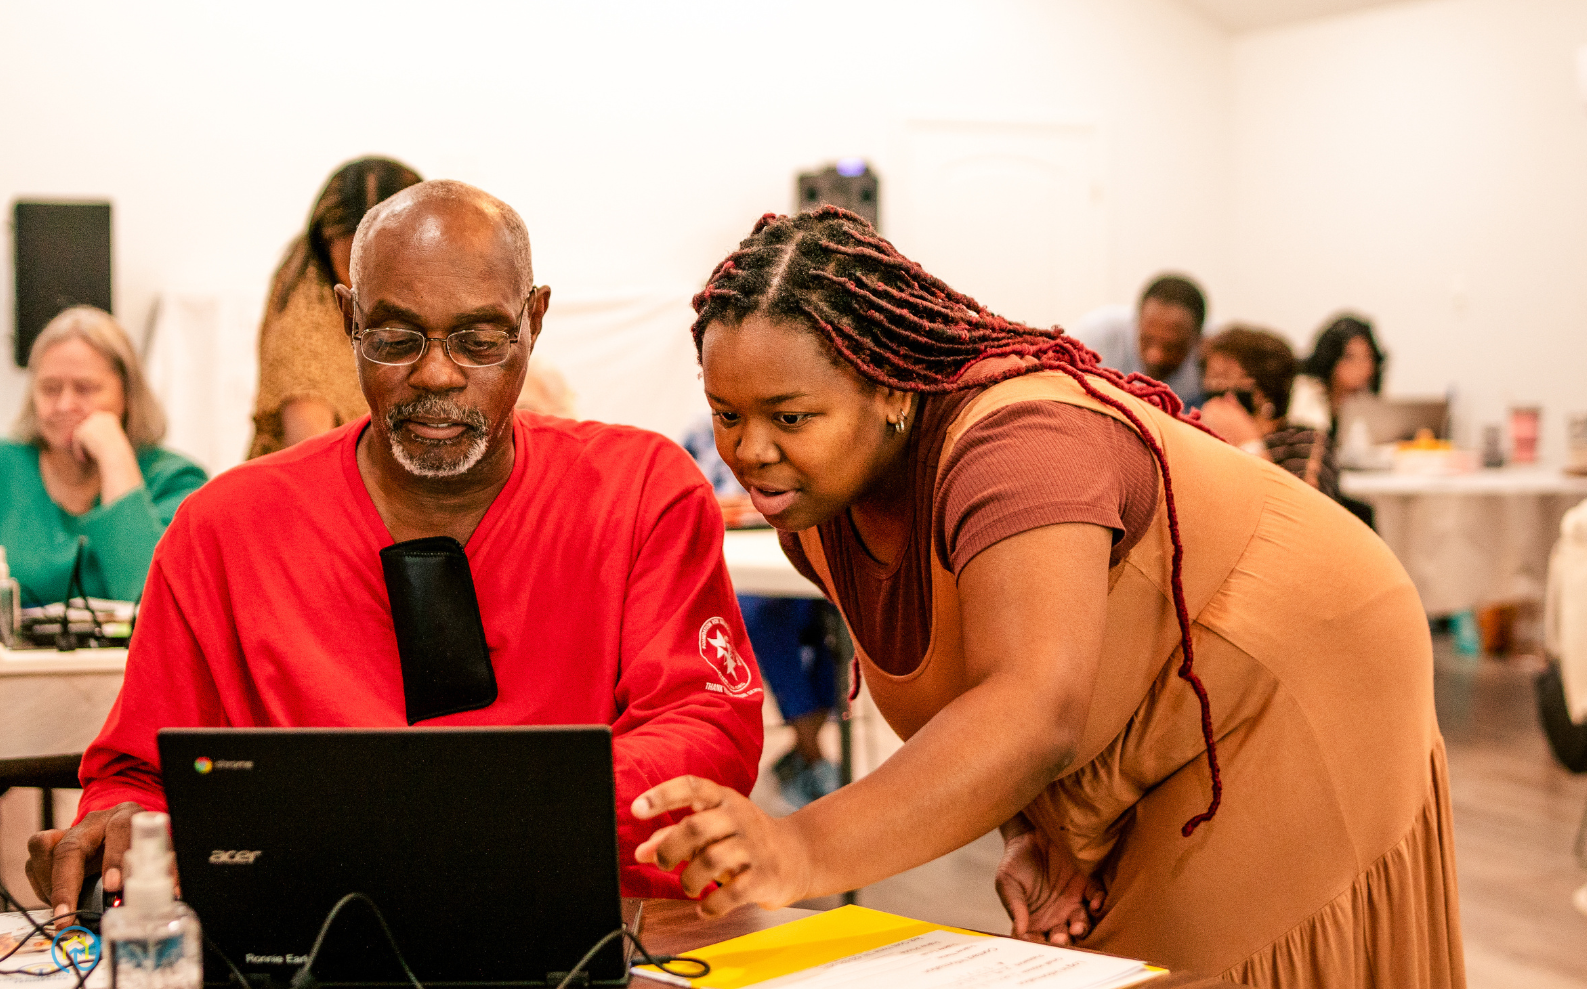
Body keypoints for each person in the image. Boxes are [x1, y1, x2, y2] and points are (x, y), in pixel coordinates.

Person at [631, 208, 1463, 988]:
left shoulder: (1020, 448)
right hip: (1149, 698)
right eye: (725, 414)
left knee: (1205, 959)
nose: (750, 450)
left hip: (1298, 663)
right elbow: (982, 681)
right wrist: (1033, 828)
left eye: (789, 415)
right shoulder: (818, 504)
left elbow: (1031, 707)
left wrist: (797, 847)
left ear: (889, 389)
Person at [26, 181, 762, 910]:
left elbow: (706, 731)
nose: (436, 374)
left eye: (479, 340)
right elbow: (139, 773)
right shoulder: (224, 529)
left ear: (534, 319)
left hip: (609, 926)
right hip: (310, 942)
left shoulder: (638, 491)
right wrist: (122, 825)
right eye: (394, 338)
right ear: (348, 316)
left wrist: (434, 810)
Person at [680, 416, 841, 808]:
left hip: (801, 554)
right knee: (758, 613)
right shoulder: (697, 436)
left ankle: (807, 752)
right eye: (727, 412)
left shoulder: (799, 427)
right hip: (738, 568)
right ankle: (813, 756)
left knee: (839, 613)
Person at [1, 306, 207, 606]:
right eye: (49, 389)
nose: (64, 405)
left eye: (85, 388)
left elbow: (152, 602)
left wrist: (115, 458)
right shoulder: (7, 467)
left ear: (127, 394)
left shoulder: (176, 479)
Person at [248, 157, 423, 459]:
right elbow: (310, 459)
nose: (368, 281)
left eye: (385, 264)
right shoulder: (304, 321)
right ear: (326, 240)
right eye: (353, 266)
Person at [1196, 325, 1340, 503]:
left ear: (1262, 391)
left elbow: (1305, 511)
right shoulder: (1203, 442)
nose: (1215, 389)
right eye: (1210, 378)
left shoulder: (1303, 440)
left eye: (1225, 377)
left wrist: (1249, 444)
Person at [1072, 274, 1207, 407]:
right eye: (1147, 340)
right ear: (1136, 322)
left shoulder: (1214, 355)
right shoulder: (1097, 334)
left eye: (1171, 347)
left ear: (1198, 339)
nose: (1155, 357)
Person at [1289, 313, 1385, 435]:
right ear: (1331, 359)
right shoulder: (1305, 393)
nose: (1362, 367)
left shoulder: (1364, 398)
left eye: (1367, 357)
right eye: (1350, 357)